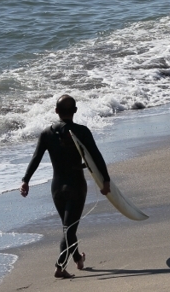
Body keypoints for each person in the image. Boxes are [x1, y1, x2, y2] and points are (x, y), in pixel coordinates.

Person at [20, 95, 111, 279]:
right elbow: (96, 156)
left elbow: (36, 157)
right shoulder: (82, 131)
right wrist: (106, 180)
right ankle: (60, 266)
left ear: (56, 111)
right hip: (76, 186)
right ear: (75, 111)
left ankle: (78, 258)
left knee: (68, 227)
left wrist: (26, 180)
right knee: (69, 229)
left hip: (56, 188)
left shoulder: (46, 133)